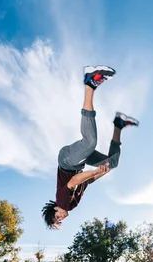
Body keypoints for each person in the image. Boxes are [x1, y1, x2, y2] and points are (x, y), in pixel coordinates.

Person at [42, 65, 139, 229]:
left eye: (57, 216)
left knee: (89, 143)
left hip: (67, 161)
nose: (61, 217)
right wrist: (102, 172)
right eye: (60, 220)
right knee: (112, 163)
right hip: (78, 163)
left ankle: (90, 83)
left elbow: (75, 180)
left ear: (55, 209)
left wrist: (95, 171)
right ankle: (118, 124)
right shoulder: (72, 205)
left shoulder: (62, 200)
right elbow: (86, 182)